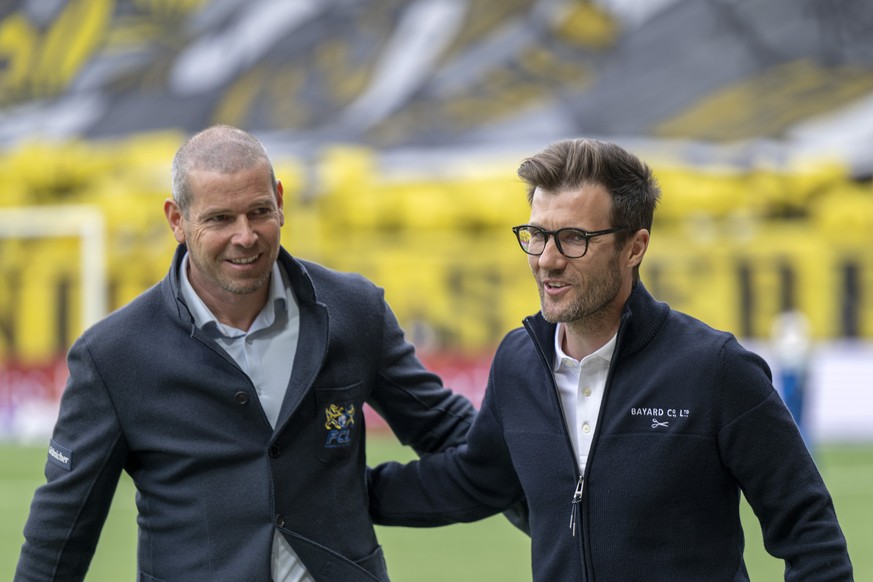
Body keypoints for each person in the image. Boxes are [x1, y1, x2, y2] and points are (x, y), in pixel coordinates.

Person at [369, 138, 853, 580]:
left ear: (634, 248)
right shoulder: (518, 361)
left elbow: (811, 536)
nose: (547, 260)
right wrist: (326, 486)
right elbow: (471, 480)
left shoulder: (716, 369)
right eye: (536, 235)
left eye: (574, 238)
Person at [15, 124, 477, 581]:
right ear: (177, 220)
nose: (246, 235)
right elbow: (62, 529)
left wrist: (542, 496)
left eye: (259, 211)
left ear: (280, 200)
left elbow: (453, 433)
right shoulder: (112, 355)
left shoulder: (355, 311)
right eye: (219, 218)